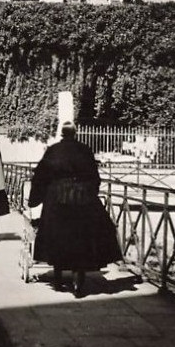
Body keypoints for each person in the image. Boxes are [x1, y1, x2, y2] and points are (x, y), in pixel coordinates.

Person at [28, 120, 122, 297]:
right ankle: (79, 282)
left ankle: (57, 278)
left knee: (57, 238)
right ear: (75, 133)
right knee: (82, 239)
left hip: (57, 200)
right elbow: (95, 177)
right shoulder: (84, 150)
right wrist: (89, 193)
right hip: (81, 199)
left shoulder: (53, 150)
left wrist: (35, 199)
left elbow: (40, 176)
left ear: (62, 134)